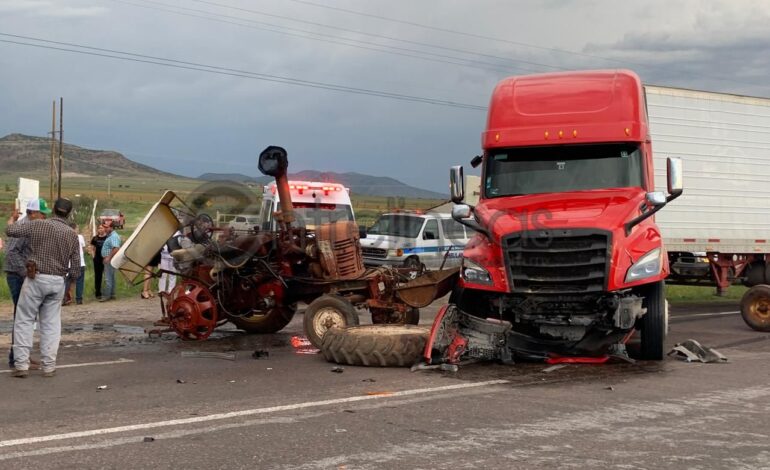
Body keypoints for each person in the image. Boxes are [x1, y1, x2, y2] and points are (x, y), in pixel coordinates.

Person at [6, 198, 80, 378]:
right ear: (69, 213)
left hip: (36, 277)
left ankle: (21, 364)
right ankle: (48, 366)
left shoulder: (38, 225)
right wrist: (69, 286)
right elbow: (76, 267)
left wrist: (12, 218)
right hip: (57, 281)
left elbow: (10, 231)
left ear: (53, 210)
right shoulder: (71, 234)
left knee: (24, 321)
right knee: (51, 324)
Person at [3, 198, 50, 369]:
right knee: (22, 318)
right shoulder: (24, 228)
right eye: (42, 213)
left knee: (25, 317)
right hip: (17, 276)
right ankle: (17, 359)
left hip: (18, 275)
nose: (44, 217)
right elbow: (11, 253)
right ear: (33, 213)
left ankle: (21, 356)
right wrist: (26, 274)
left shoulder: (27, 226)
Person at [63, 223, 86, 305]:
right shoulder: (80, 237)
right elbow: (83, 248)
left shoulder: (65, 237)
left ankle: (64, 298)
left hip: (69, 263)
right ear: (75, 229)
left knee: (67, 282)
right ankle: (79, 299)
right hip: (80, 262)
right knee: (80, 281)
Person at [100, 221, 121, 302]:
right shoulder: (111, 236)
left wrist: (108, 257)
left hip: (110, 259)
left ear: (111, 228)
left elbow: (116, 248)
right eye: (105, 227)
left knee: (108, 278)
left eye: (107, 227)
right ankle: (112, 294)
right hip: (110, 259)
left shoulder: (114, 236)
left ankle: (107, 296)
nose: (105, 229)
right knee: (111, 277)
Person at [89, 224, 108, 300]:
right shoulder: (95, 238)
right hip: (97, 259)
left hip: (106, 259)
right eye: (99, 228)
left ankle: (107, 292)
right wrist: (93, 256)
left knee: (107, 275)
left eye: (101, 228)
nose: (100, 229)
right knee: (98, 276)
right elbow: (92, 248)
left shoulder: (107, 238)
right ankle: (98, 293)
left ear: (105, 229)